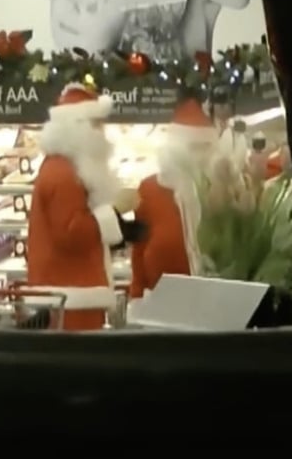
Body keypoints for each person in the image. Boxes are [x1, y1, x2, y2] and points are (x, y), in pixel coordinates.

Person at [27, 83, 145, 331]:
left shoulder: (68, 169)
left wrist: (123, 230)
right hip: (69, 296)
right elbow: (71, 233)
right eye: (96, 125)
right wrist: (115, 210)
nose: (102, 133)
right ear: (78, 129)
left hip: (73, 292)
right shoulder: (63, 174)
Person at [128, 96, 217, 312]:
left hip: (210, 303)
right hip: (161, 304)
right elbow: (138, 251)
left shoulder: (219, 189)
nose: (199, 155)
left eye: (205, 147)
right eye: (194, 147)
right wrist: (137, 297)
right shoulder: (150, 189)